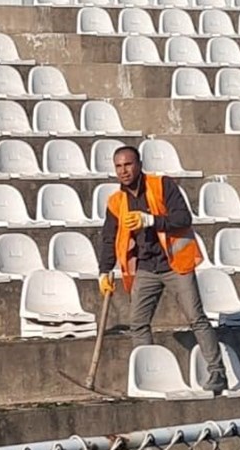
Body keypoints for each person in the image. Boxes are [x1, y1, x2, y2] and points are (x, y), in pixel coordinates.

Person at [97, 145, 228, 394]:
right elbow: (108, 237)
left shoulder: (162, 185)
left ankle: (217, 373)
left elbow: (183, 218)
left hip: (175, 263)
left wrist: (151, 220)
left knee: (196, 318)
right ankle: (146, 375)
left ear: (139, 164)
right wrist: (104, 270)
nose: (123, 171)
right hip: (145, 267)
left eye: (128, 164)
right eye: (118, 166)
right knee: (138, 323)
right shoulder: (116, 202)